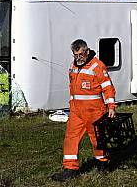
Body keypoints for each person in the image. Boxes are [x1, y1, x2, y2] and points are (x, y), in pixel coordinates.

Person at [52, 39, 116, 181]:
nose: (78, 58)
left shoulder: (97, 66)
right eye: (75, 55)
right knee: (71, 138)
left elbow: (108, 87)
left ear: (87, 51)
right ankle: (70, 168)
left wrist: (111, 106)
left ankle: (103, 163)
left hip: (94, 111)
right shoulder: (73, 66)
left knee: (97, 139)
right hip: (76, 110)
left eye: (81, 54)